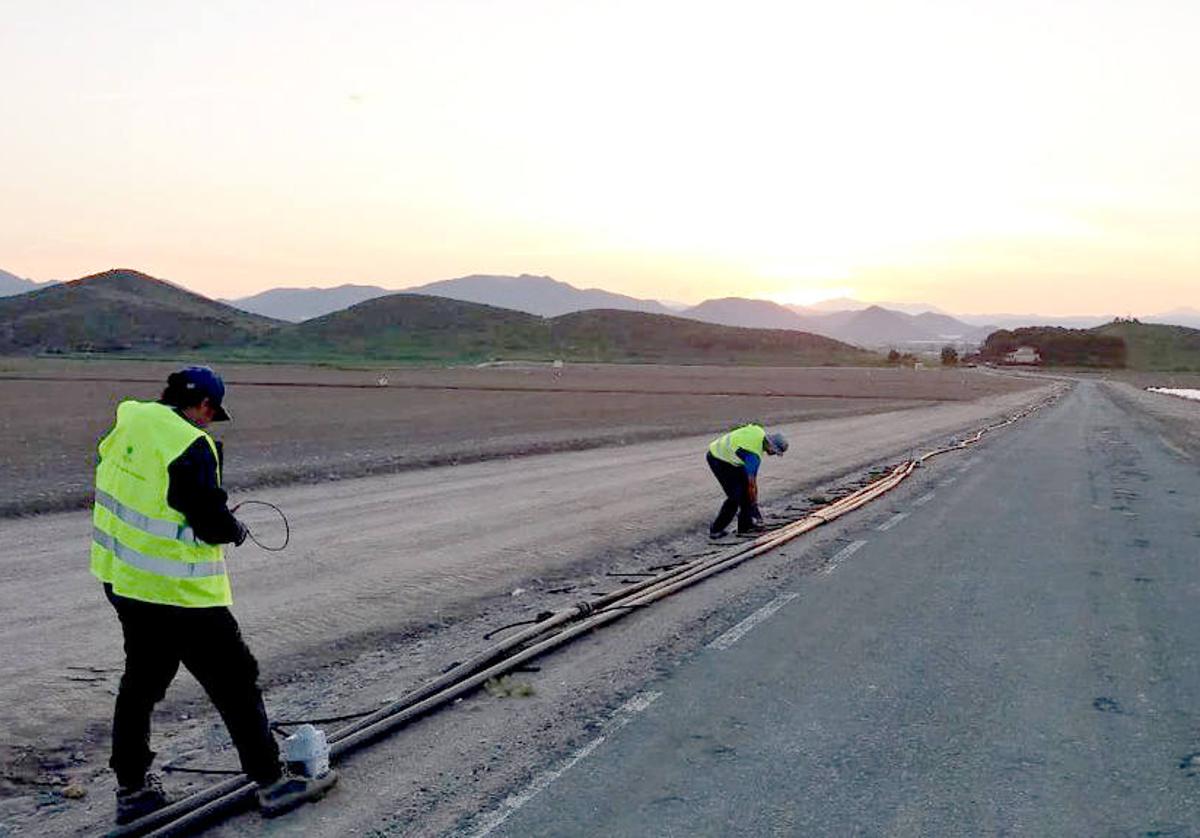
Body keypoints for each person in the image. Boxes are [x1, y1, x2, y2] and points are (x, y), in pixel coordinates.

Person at [91, 366, 337, 825]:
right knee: (236, 681)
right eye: (210, 413)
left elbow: (145, 492)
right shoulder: (192, 444)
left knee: (141, 682)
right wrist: (234, 527)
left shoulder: (132, 421)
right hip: (182, 594)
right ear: (204, 405)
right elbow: (209, 522)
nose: (209, 422)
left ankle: (133, 789)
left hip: (124, 582)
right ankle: (272, 782)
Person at [706, 423, 788, 538]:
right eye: (774, 452)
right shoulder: (753, 456)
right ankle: (716, 530)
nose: (773, 454)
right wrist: (754, 508)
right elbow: (751, 484)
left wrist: (753, 505)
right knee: (735, 497)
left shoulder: (758, 430)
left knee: (746, 492)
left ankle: (745, 526)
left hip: (731, 456)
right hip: (718, 458)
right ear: (770, 445)